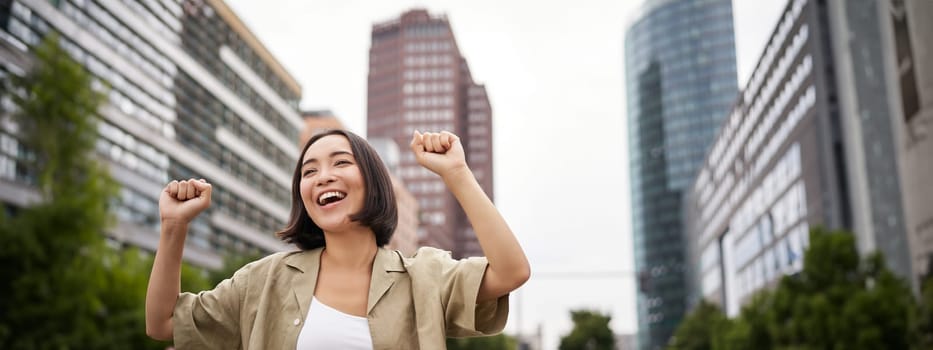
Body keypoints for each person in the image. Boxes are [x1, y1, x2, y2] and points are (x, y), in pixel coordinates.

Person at [145, 129, 530, 349]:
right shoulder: (264, 281)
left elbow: (511, 271)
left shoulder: (424, 277)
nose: (323, 176)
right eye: (309, 171)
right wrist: (173, 228)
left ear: (374, 182)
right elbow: (163, 323)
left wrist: (457, 173)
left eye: (341, 162)